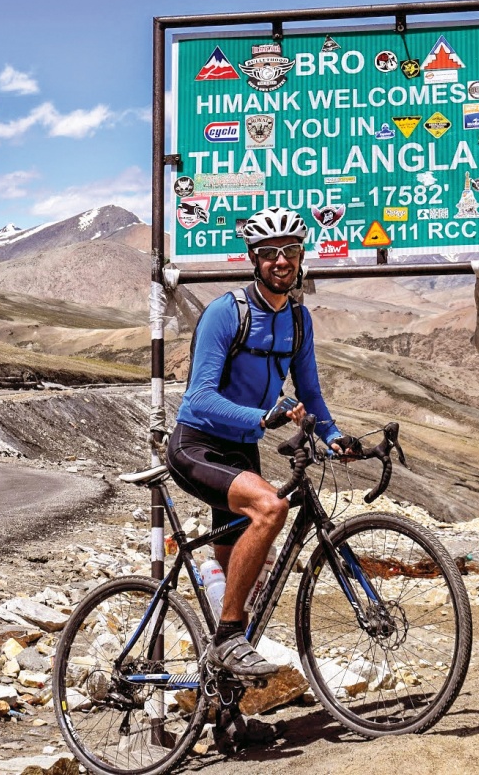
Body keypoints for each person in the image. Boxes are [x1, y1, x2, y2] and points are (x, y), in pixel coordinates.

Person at [166, 206, 350, 679]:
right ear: (253, 259)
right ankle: (228, 639)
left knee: (242, 586)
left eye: (289, 250)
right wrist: (262, 415)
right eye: (269, 253)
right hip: (197, 446)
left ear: (302, 255)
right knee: (271, 508)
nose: (281, 261)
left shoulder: (299, 321)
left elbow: (310, 392)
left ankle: (227, 710)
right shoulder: (226, 313)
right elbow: (200, 397)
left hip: (240, 451)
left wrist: (334, 435)